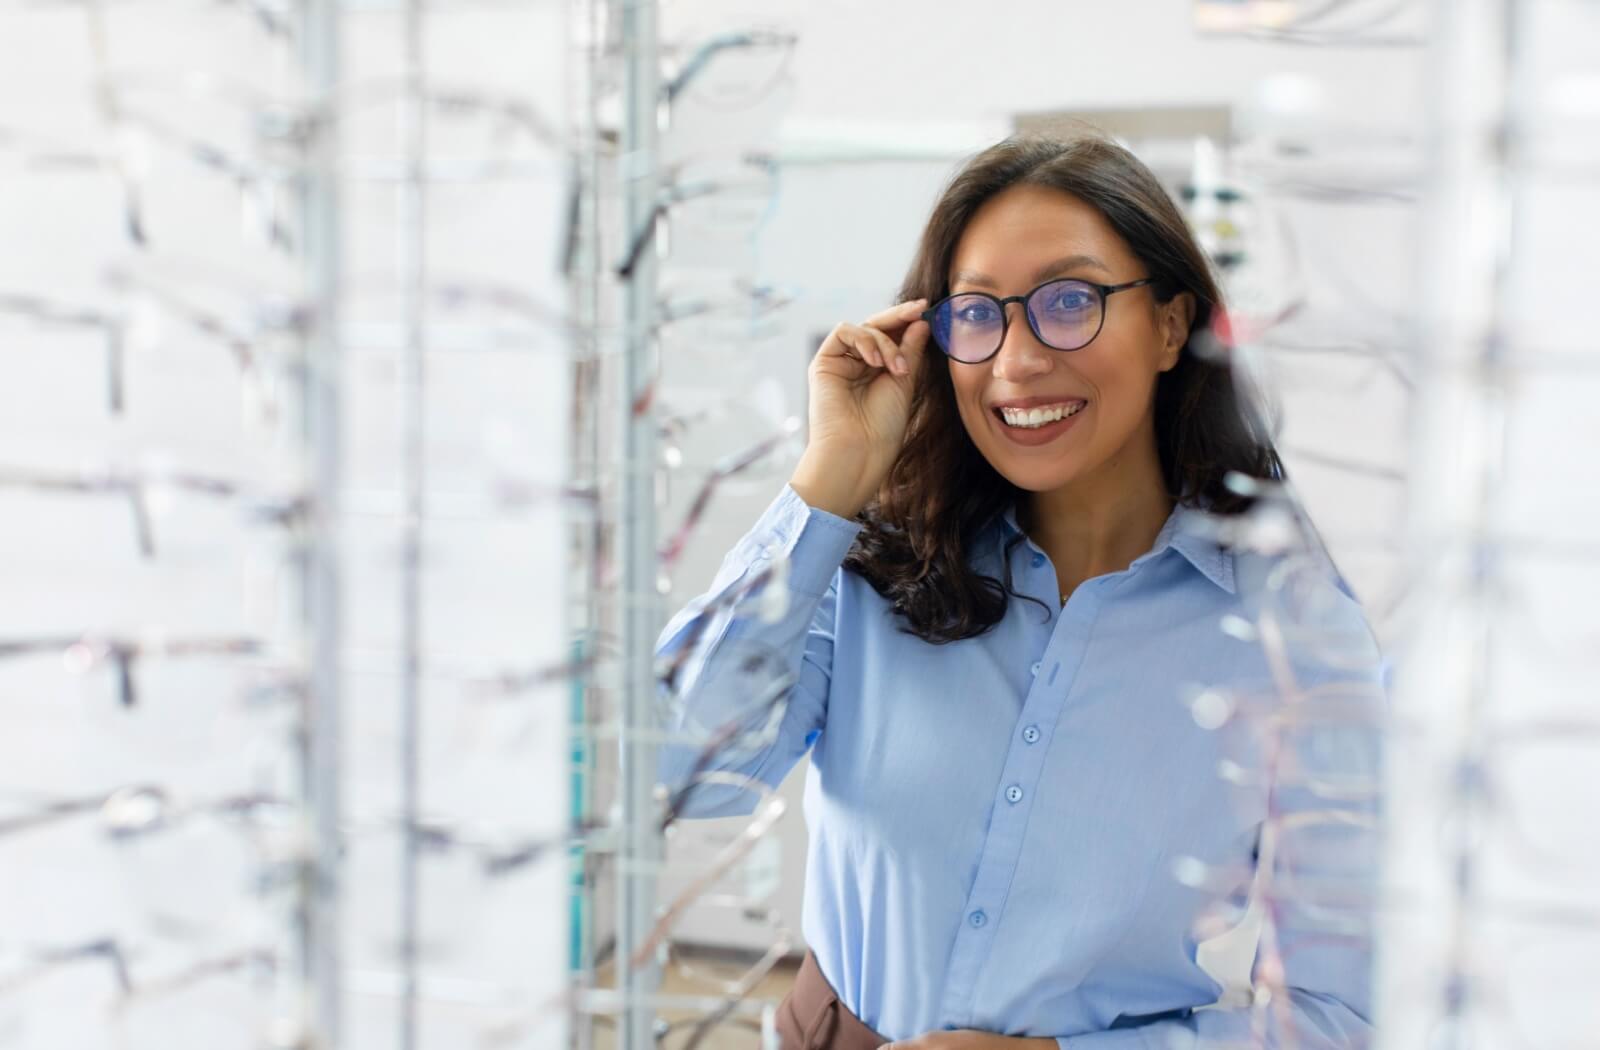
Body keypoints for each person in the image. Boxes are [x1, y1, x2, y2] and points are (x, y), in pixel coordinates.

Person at [653, 134, 1385, 1049]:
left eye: (1070, 302)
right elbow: (672, 774)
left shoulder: (1295, 637)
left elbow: (1347, 1014)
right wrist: (827, 482)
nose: (1017, 360)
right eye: (976, 314)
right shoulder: (871, 569)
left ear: (1169, 325)